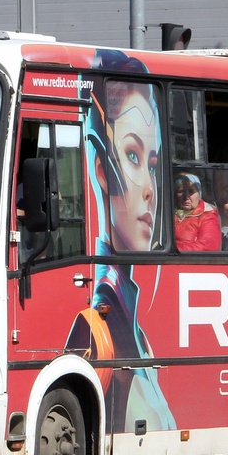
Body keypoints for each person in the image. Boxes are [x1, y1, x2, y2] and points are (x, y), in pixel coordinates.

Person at [65, 60, 176, 434]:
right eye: (132, 155)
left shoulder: (129, 315)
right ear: (101, 168)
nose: (150, 187)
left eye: (154, 164)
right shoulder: (100, 326)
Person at [173, 172, 221, 251]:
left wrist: (175, 249)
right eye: (181, 191)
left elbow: (207, 247)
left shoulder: (208, 216)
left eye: (191, 192)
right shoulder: (166, 215)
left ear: (199, 194)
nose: (186, 197)